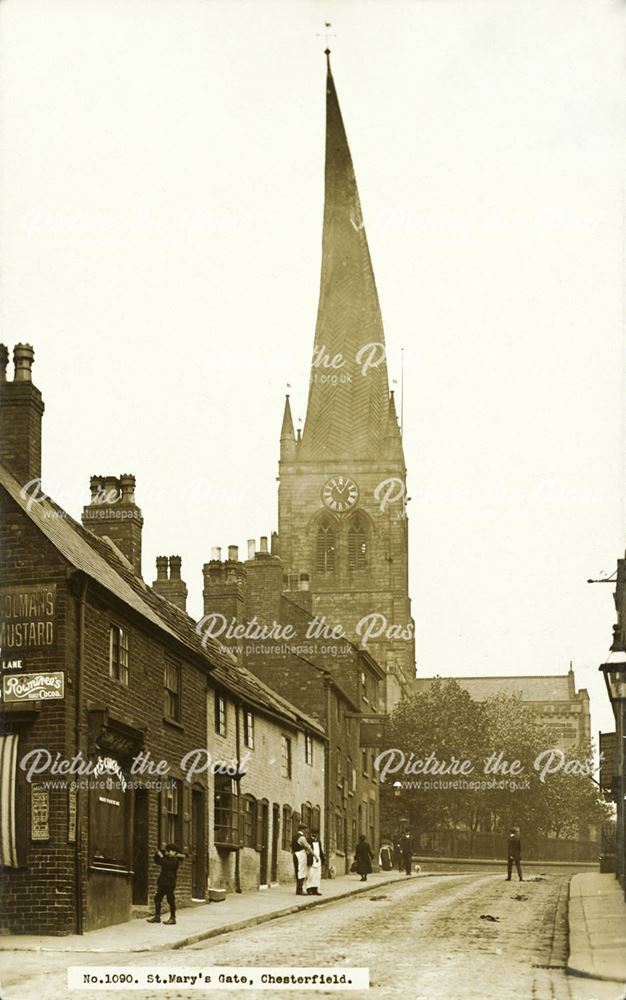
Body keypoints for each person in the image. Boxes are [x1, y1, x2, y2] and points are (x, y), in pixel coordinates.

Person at [147, 842, 185, 925]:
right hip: (162, 882)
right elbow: (158, 861)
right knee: (157, 898)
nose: (168, 852)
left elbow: (166, 864)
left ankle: (173, 918)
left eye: (169, 850)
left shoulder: (175, 861)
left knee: (170, 900)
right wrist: (157, 855)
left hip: (170, 883)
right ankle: (157, 916)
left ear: (174, 852)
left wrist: (161, 856)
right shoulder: (167, 858)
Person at [291, 825, 313, 895]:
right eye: (305, 830)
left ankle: (298, 889)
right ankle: (299, 890)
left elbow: (291, 846)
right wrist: (314, 855)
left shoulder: (294, 836)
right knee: (301, 871)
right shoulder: (302, 838)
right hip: (301, 856)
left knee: (297, 871)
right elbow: (308, 846)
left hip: (295, 855)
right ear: (303, 830)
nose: (306, 831)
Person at [305, 831, 326, 896]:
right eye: (314, 835)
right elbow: (307, 850)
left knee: (317, 875)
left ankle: (315, 889)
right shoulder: (308, 840)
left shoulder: (318, 841)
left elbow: (320, 850)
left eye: (316, 835)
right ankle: (309, 889)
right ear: (311, 834)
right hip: (312, 860)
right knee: (310, 874)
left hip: (318, 860)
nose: (315, 836)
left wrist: (322, 859)